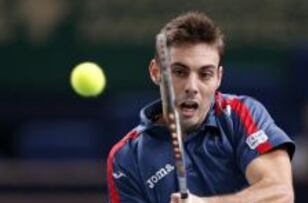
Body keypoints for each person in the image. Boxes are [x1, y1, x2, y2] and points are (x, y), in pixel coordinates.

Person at [107, 11, 295, 203]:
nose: (191, 87)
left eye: (205, 74)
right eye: (179, 72)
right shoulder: (126, 157)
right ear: (156, 72)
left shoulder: (240, 114)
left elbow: (280, 193)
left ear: (218, 78)